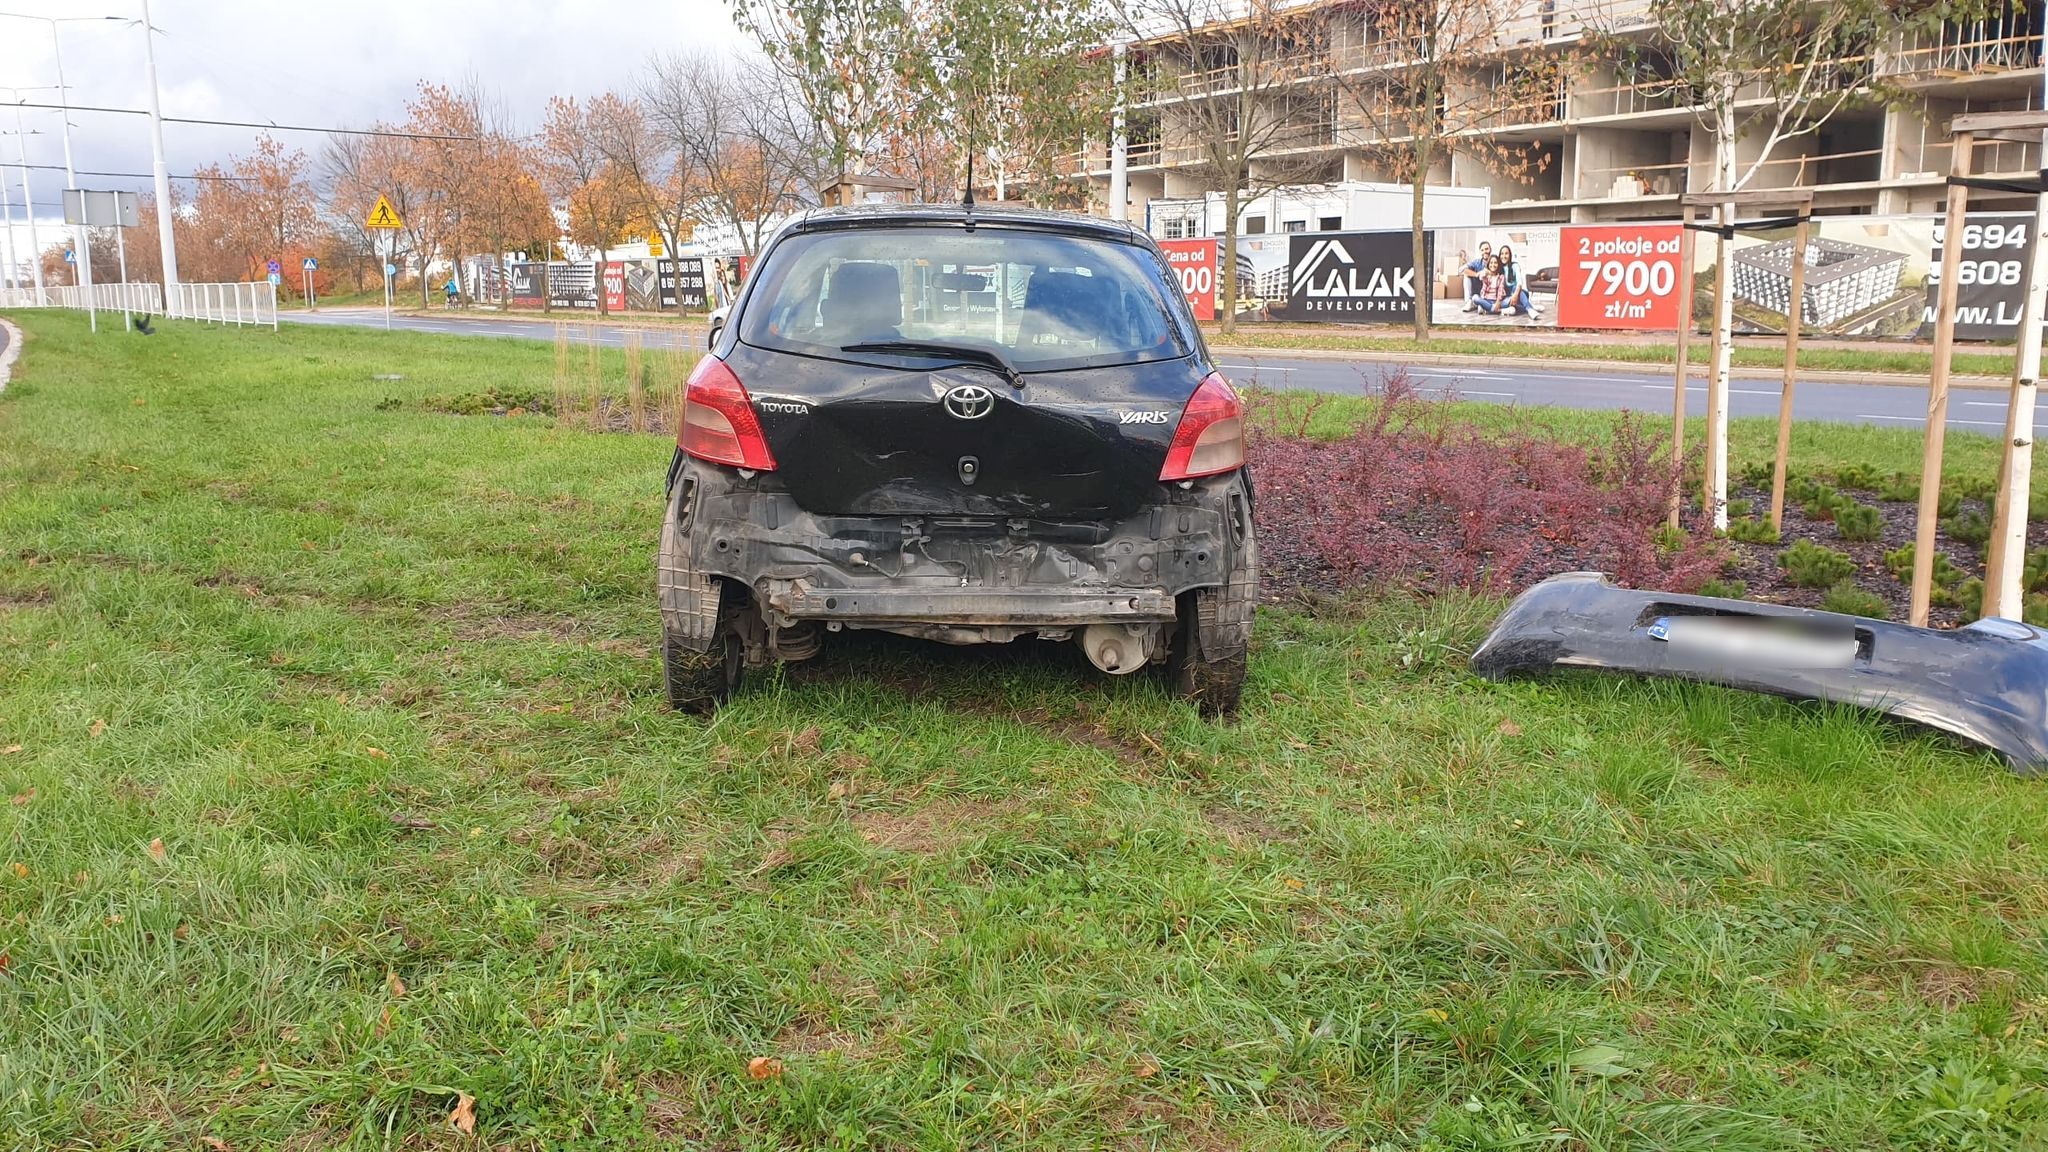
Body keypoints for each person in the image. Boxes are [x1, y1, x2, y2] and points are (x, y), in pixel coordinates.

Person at [1498, 244, 1541, 321]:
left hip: (1519, 293)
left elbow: (1519, 282)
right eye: (1502, 253)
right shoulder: (1499, 268)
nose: (1504, 256)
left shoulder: (1515, 266)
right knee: (1510, 306)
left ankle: (1530, 309)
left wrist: (1515, 294)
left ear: (1510, 255)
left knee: (1515, 288)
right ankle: (1530, 306)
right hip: (1508, 296)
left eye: (1506, 253)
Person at [1461, 241, 1492, 311]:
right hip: (1478, 288)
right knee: (1467, 276)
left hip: (1490, 292)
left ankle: (1482, 303)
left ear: (1490, 249)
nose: (1485, 251)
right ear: (1480, 252)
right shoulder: (1477, 262)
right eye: (1482, 250)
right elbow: (1463, 270)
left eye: (1487, 249)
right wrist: (1477, 274)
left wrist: (1487, 273)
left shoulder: (1494, 260)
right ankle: (1469, 301)